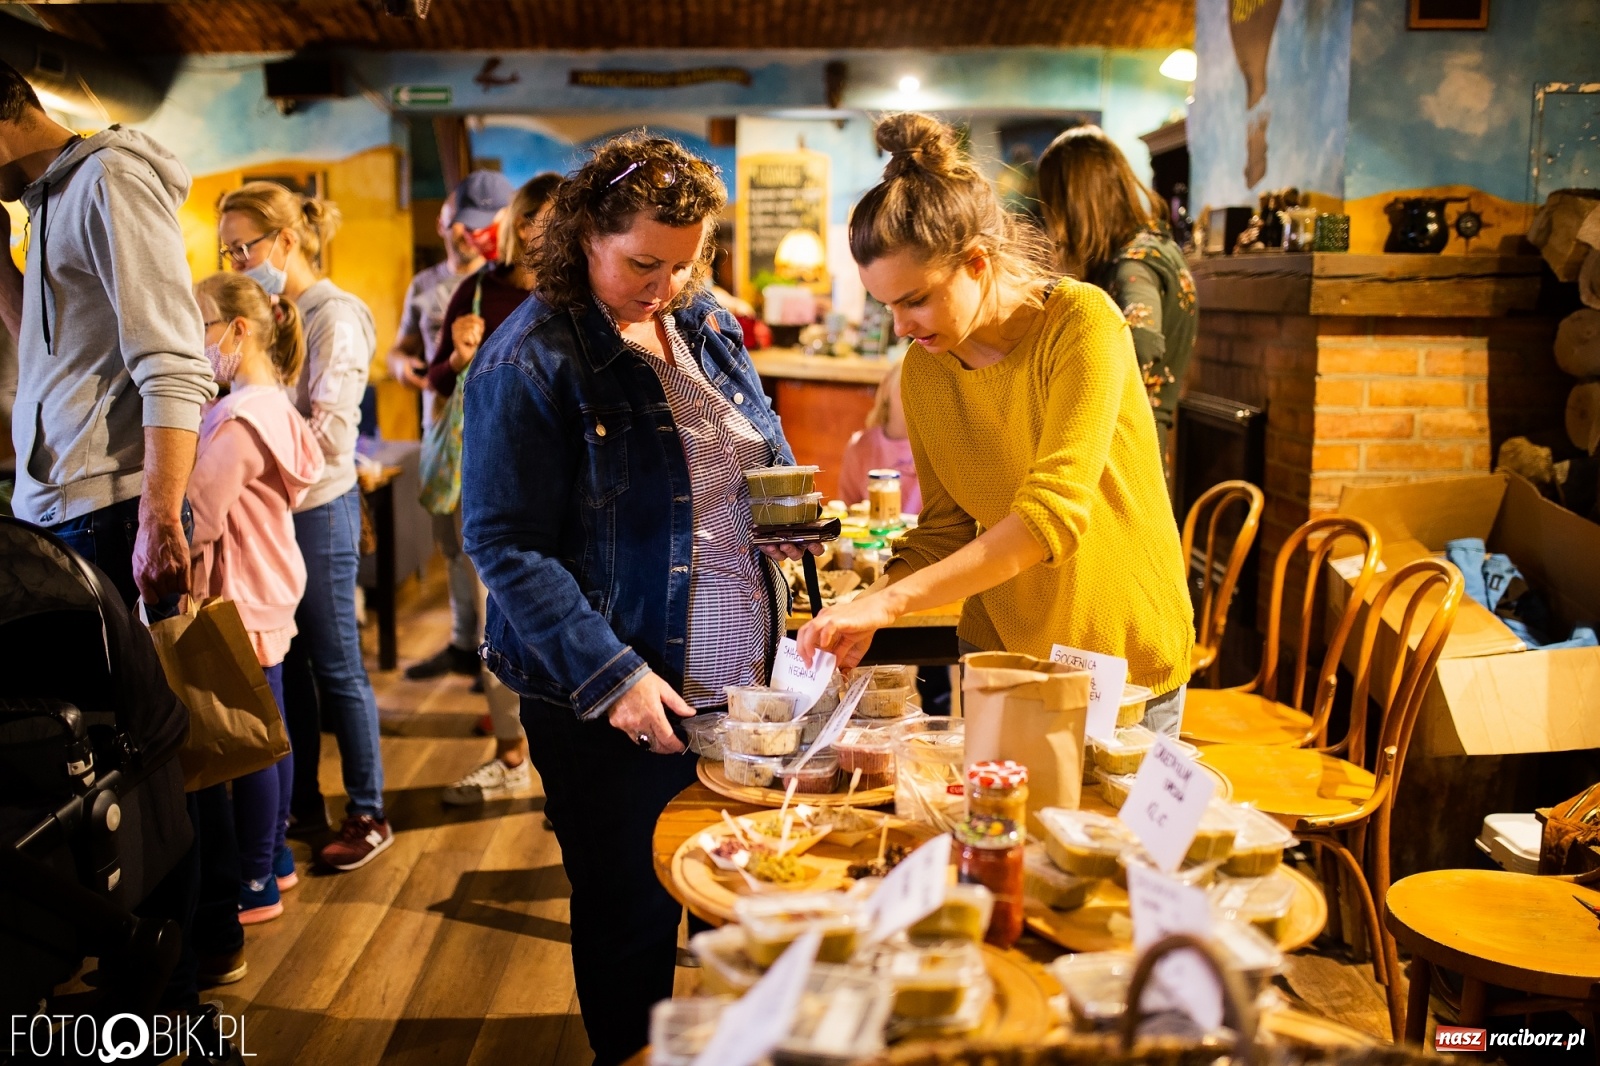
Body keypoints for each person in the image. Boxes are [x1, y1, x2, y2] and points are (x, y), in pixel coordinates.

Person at [460, 134, 810, 1066]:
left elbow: (750, 465)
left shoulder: (706, 324)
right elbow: (503, 543)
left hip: (743, 685)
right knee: (630, 918)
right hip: (623, 694)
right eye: (642, 262)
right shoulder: (528, 359)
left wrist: (795, 538)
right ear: (584, 237)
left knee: (749, 900)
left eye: (686, 262)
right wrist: (614, 677)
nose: (664, 284)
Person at [797, 113, 1194, 737]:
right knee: (994, 831)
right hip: (1003, 655)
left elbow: (1049, 519)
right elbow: (945, 528)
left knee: (1099, 835)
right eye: (887, 305)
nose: (900, 325)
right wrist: (866, 607)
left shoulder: (1080, 323)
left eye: (916, 299)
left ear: (978, 262)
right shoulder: (924, 371)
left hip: (1117, 655)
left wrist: (892, 599)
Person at [0, 60, 222, 1009]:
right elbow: (51, 354)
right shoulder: (48, 202)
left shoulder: (109, 180)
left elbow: (175, 361)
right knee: (107, 761)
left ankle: (174, 982)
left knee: (148, 758)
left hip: (110, 509)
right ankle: (162, 959)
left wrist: (159, 516)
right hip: (61, 506)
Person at [217, 181, 393, 870]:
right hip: (276, 511)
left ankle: (370, 809)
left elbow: (328, 438)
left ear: (287, 241)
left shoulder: (334, 314)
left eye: (246, 247)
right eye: (226, 250)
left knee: (337, 661)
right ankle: (302, 805)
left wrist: (251, 470)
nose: (235, 262)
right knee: (290, 665)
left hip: (318, 508)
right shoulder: (270, 311)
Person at [188, 272, 324, 925]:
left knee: (248, 742)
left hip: (240, 592)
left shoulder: (244, 418)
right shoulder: (278, 407)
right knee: (271, 730)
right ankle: (274, 862)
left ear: (239, 330)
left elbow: (201, 513)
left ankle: (253, 880)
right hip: (268, 585)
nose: (197, 343)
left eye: (202, 327)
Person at [427, 172, 561, 807]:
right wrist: (455, 358)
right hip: (490, 473)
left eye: (557, 219)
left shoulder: (583, 294)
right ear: (515, 223)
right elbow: (434, 374)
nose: (542, 231)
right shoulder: (477, 289)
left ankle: (566, 763)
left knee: (566, 617)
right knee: (496, 619)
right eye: (533, 217)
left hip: (566, 482)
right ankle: (511, 756)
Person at [390, 169, 515, 685]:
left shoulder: (503, 281)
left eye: (480, 225)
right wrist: (404, 369)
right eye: (461, 223)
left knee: (485, 554)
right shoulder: (425, 285)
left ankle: (495, 667)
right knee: (451, 546)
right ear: (445, 220)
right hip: (440, 433)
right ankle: (466, 644)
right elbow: (403, 350)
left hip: (492, 439)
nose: (467, 235)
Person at [1035, 125, 1197, 469]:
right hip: (1143, 441)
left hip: (1124, 450)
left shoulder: (1130, 266)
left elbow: (1142, 343)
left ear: (1073, 201)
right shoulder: (1158, 249)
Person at [836, 359, 922, 513]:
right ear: (887, 385)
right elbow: (847, 510)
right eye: (909, 381)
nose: (918, 392)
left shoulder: (942, 448)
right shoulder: (860, 446)